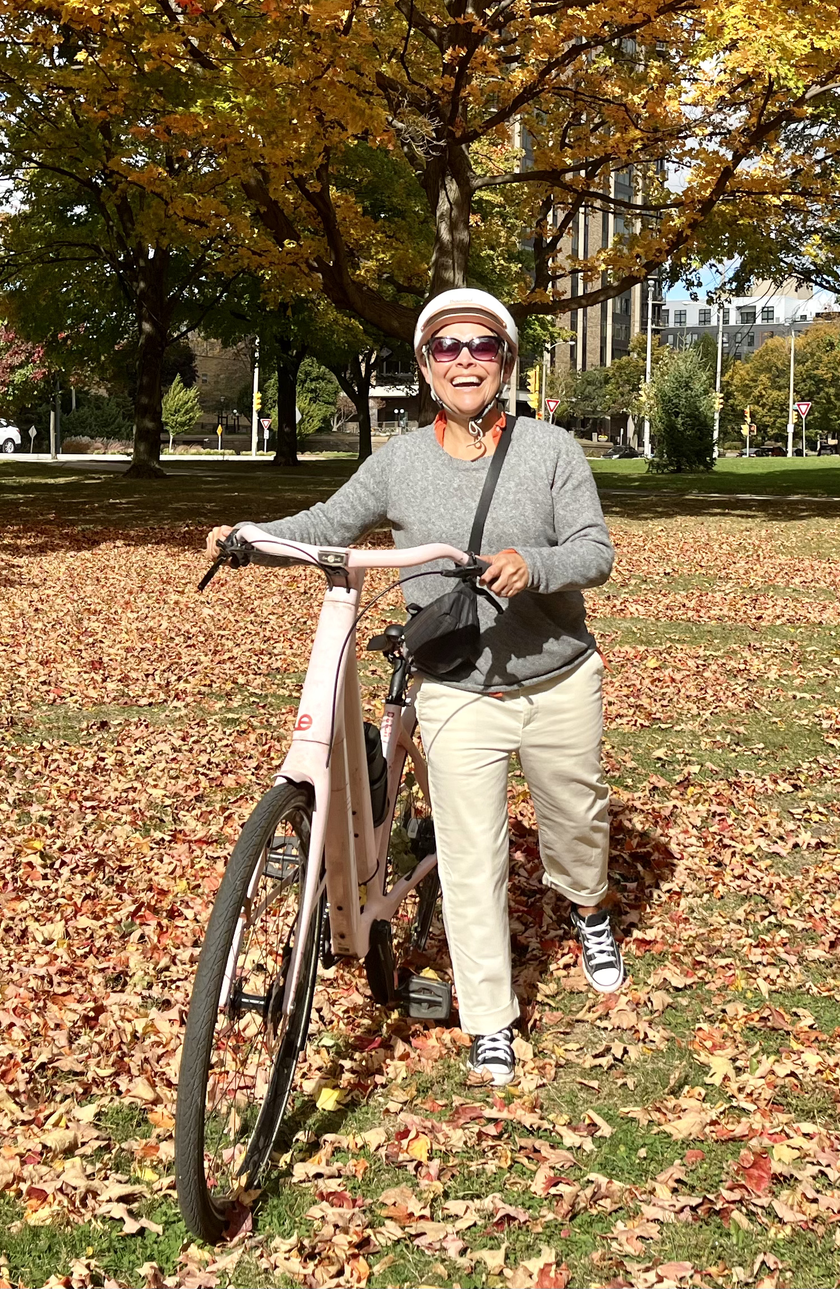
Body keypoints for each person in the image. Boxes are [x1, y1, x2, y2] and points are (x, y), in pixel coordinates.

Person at [204, 288, 620, 1087]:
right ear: (428, 367)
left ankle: (589, 909)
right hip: (457, 685)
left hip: (556, 675)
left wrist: (538, 564)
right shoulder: (398, 460)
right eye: (448, 348)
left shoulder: (552, 450)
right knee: (469, 855)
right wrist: (249, 537)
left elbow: (595, 550)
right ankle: (490, 1017)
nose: (466, 359)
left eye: (483, 346)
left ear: (505, 361)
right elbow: (331, 521)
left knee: (576, 822)